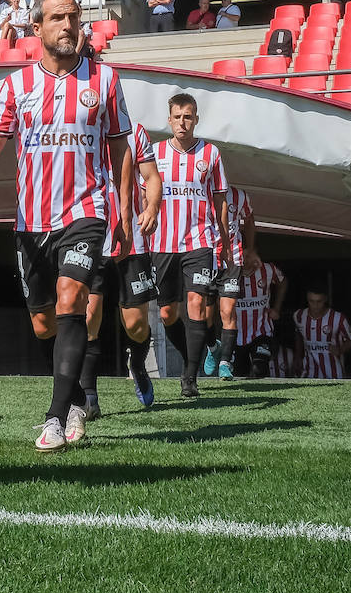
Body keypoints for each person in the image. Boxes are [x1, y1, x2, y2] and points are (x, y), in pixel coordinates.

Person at [0, 0, 133, 451]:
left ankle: (56, 418)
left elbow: (120, 148)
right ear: (36, 28)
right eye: (58, 17)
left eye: (74, 17)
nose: (68, 24)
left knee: (72, 297)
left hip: (87, 210)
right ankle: (77, 397)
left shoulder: (105, 81)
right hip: (32, 220)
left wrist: (121, 208)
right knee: (44, 323)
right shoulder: (16, 85)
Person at [149, 93, 230, 397]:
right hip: (162, 243)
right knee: (168, 313)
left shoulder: (211, 153)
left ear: (196, 119)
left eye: (188, 116)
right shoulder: (155, 153)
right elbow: (145, 197)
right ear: (169, 120)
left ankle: (189, 377)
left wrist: (222, 238)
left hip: (200, 240)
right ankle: (191, 358)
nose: (183, 122)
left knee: (196, 304)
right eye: (177, 116)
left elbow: (220, 199)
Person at [82, 121, 162, 417]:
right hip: (89, 233)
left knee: (136, 326)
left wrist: (151, 208)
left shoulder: (137, 132)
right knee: (89, 315)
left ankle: (138, 364)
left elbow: (152, 177)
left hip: (132, 239)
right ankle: (89, 394)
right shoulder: (78, 127)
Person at [204, 183, 254, 380]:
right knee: (203, 316)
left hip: (232, 258)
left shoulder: (239, 195)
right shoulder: (199, 190)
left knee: (227, 310)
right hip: (204, 257)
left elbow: (249, 219)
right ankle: (213, 347)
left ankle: (225, 362)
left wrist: (250, 248)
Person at [235, 256, 286, 378]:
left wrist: (277, 308)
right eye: (243, 257)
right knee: (239, 374)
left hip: (261, 331)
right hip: (235, 334)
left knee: (259, 369)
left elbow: (283, 282)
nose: (246, 261)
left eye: (249, 256)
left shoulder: (268, 269)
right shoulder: (230, 270)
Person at [293, 287, 351, 379]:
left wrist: (340, 349)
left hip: (334, 373)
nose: (315, 305)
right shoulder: (299, 316)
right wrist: (298, 356)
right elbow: (298, 334)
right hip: (308, 372)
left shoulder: (338, 318)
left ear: (325, 299)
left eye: (319, 301)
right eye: (311, 301)